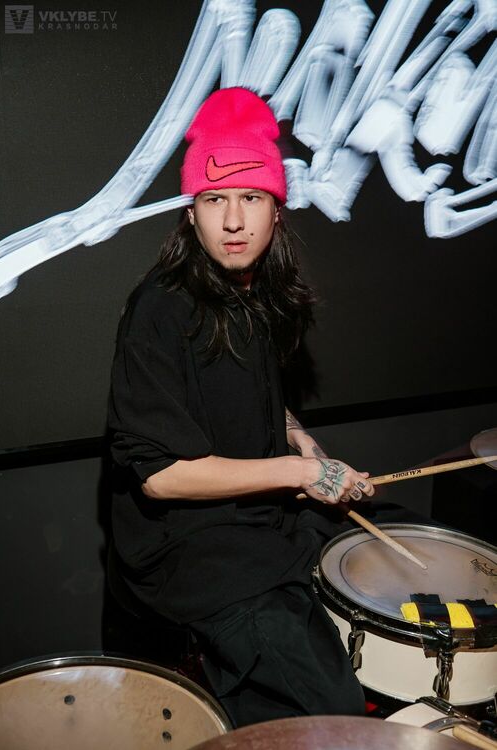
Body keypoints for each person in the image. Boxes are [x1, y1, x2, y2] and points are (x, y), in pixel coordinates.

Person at [108, 87, 375, 727]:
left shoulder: (258, 288)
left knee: (394, 548)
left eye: (250, 198)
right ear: (190, 213)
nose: (233, 221)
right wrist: (297, 473)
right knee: (333, 708)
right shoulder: (161, 310)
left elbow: (253, 398)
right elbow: (162, 475)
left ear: (276, 209)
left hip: (261, 521)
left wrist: (306, 446)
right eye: (214, 199)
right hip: (190, 550)